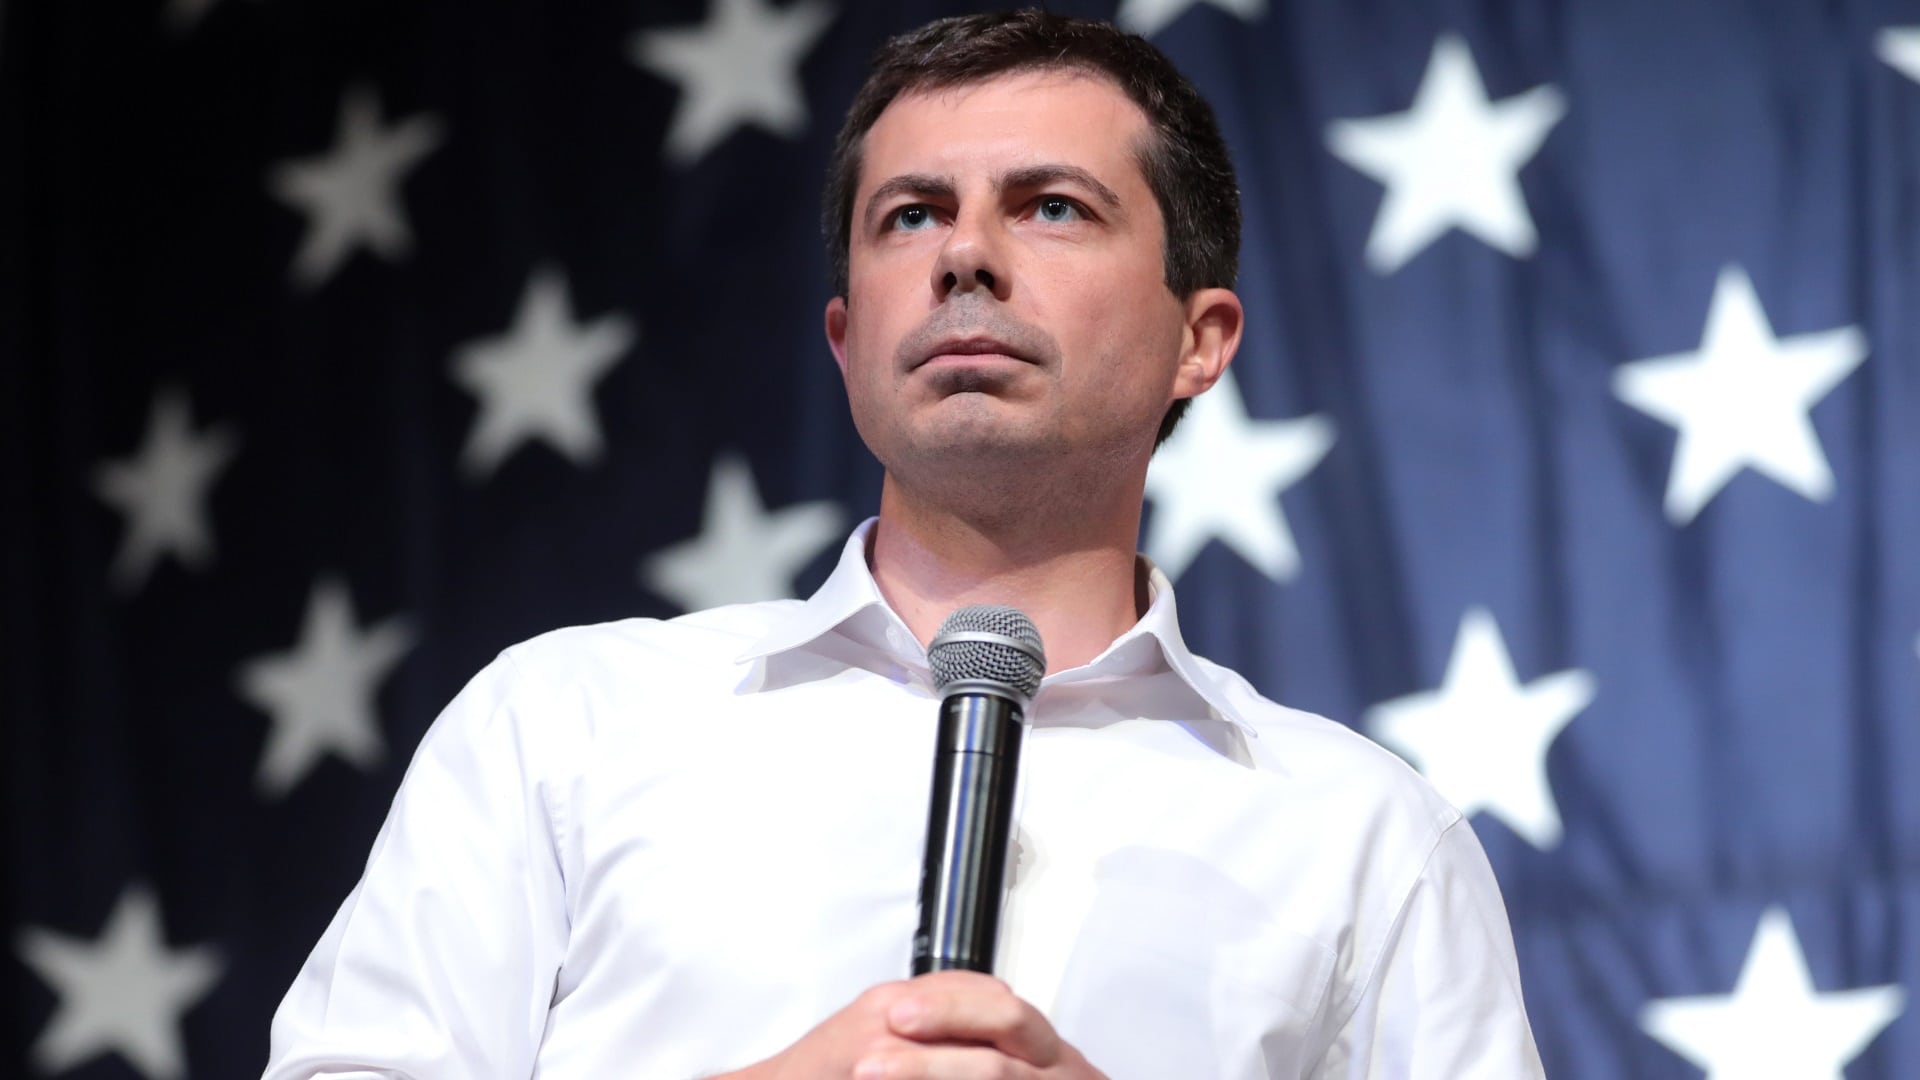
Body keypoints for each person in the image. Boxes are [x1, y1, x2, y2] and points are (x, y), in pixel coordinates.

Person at [263, 11, 1544, 1079]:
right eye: (912, 216)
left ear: (1199, 340)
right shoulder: (565, 727)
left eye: (1051, 207)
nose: (966, 257)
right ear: (845, 338)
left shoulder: (1366, 838)